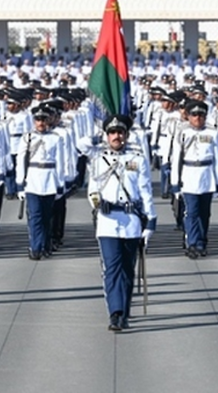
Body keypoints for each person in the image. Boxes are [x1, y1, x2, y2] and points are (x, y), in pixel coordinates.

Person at [88, 114, 156, 332]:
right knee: (111, 268)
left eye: (120, 132)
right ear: (106, 136)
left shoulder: (137, 159)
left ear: (126, 135)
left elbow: (146, 192)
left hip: (131, 221)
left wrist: (151, 221)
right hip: (108, 221)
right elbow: (92, 190)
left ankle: (124, 312)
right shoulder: (99, 160)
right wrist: (99, 205)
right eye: (112, 133)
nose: (116, 136)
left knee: (127, 270)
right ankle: (115, 312)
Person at [170, 100, 218, 259]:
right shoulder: (182, 132)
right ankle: (192, 243)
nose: (198, 118)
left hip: (206, 175)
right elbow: (176, 158)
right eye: (194, 115)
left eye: (201, 115)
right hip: (189, 174)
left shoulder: (213, 133)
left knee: (204, 213)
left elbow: (217, 158)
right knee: (191, 212)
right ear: (188, 116)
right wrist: (175, 181)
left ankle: (202, 241)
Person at [16, 104, 67, 260]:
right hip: (32, 180)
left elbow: (60, 162)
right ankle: (35, 247)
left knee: (47, 217)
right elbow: (21, 161)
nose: (40, 123)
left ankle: (46, 245)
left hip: (50, 180)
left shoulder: (56, 138)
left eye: (43, 119)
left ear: (49, 120)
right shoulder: (27, 138)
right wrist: (20, 183)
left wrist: (60, 184)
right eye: (38, 119)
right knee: (35, 216)